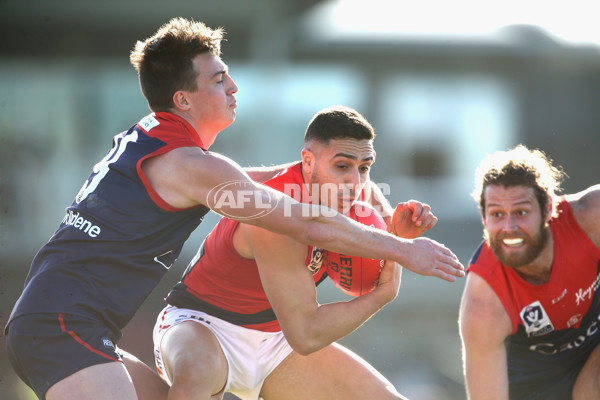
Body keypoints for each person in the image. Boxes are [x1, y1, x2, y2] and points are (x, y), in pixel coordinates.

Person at [4, 17, 463, 400]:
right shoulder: (187, 163)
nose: (234, 86)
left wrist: (342, 182)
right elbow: (307, 222)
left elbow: (259, 182)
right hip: (62, 326)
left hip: (69, 325)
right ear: (183, 100)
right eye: (219, 78)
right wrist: (404, 252)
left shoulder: (168, 148)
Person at [153, 105, 439, 400]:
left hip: (275, 341)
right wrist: (383, 294)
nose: (355, 182)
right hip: (203, 326)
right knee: (196, 377)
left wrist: (396, 228)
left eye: (364, 167)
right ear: (308, 162)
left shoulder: (351, 192)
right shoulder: (275, 211)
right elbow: (306, 335)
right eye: (342, 166)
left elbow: (375, 205)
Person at [458, 144, 600, 400]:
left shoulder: (592, 216)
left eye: (521, 212)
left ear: (548, 208)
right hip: (536, 386)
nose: (509, 227)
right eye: (497, 214)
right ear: (483, 219)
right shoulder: (484, 301)